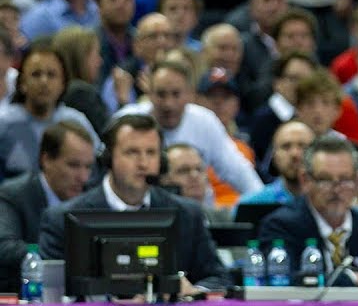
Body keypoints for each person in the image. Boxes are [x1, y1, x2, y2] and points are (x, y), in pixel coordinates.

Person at [39, 113, 228, 288]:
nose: (143, 163)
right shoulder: (62, 219)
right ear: (108, 158)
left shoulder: (187, 214)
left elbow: (219, 278)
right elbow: (52, 291)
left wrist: (192, 291)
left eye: (151, 153)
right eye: (132, 152)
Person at [116, 60, 265, 197]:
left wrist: (263, 203)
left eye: (176, 94)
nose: (169, 104)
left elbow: (238, 171)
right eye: (161, 94)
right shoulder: (127, 122)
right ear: (149, 93)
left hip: (199, 213)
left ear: (190, 94)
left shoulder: (204, 121)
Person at [257, 135, 358, 284]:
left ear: (357, 182)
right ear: (305, 180)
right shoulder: (280, 226)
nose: (336, 189)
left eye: (345, 179)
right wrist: (350, 278)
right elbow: (289, 283)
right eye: (325, 179)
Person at [0, 121, 95, 290]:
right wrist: (58, 256)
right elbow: (4, 247)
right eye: (73, 165)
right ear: (46, 160)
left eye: (88, 167)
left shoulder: (91, 196)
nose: (83, 177)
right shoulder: (13, 195)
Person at [0, 40, 99, 180]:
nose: (44, 82)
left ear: (63, 83)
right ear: (22, 83)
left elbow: (96, 169)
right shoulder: (4, 123)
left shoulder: (76, 121)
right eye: (36, 74)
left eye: (51, 75)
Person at [239, 120, 316, 205]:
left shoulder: (329, 203)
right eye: (286, 146)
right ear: (274, 155)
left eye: (302, 146)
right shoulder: (251, 205)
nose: (294, 154)